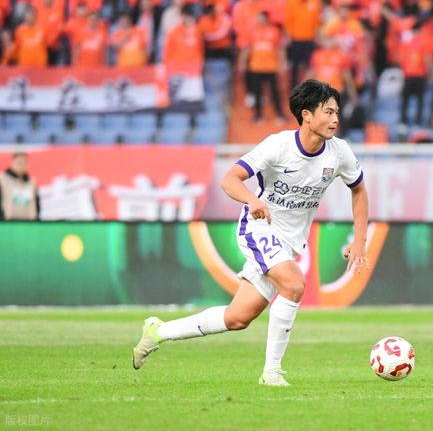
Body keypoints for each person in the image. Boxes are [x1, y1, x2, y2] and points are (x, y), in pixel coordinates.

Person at [132, 79, 369, 387]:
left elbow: (359, 190)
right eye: (328, 112)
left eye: (337, 112)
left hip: (289, 242)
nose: (336, 118)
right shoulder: (278, 146)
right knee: (294, 284)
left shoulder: (340, 153)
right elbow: (230, 179)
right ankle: (272, 372)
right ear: (307, 115)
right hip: (258, 228)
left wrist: (360, 240)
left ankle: (158, 332)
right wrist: (252, 200)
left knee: (238, 318)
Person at [0, 152, 39, 221]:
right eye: (18, 162)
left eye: (24, 162)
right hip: (8, 222)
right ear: (12, 162)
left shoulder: (32, 181)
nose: (21, 165)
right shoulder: (2, 179)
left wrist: (36, 219)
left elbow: (36, 203)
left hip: (29, 222)